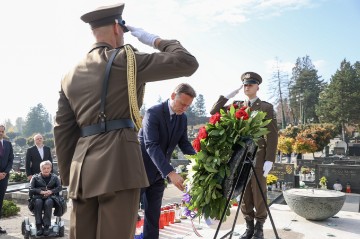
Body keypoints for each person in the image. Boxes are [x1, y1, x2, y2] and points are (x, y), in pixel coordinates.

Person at [53, 3, 198, 239]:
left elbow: (63, 131)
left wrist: (71, 179)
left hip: (81, 171)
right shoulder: (127, 60)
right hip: (119, 164)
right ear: (117, 27)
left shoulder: (70, 74)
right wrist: (155, 40)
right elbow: (187, 62)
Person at [210, 72, 278, 239]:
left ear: (257, 87)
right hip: (240, 156)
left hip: (259, 155)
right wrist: (226, 96)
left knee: (258, 191)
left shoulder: (266, 107)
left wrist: (270, 159)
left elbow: (273, 134)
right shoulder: (237, 104)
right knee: (244, 190)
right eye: (245, 84)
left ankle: (259, 227)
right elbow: (214, 112)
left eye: (251, 84)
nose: (247, 87)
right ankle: (249, 226)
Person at [139, 83, 197, 239]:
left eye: (188, 106)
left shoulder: (182, 118)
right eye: (182, 104)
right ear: (173, 96)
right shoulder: (153, 112)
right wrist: (171, 172)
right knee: (127, 215)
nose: (184, 109)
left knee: (153, 217)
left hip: (159, 174)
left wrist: (200, 161)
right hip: (140, 172)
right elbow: (151, 145)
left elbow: (184, 143)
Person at [29, 160, 62, 236]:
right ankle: (39, 226)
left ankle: (46, 226)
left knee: (49, 202)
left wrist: (51, 191)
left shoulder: (55, 177)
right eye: (44, 168)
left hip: (51, 196)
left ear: (50, 168)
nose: (46, 170)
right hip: (38, 197)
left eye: (48, 168)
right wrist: (41, 192)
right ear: (41, 169)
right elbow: (31, 189)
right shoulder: (35, 177)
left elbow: (59, 187)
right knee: (38, 202)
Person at [0, 125, 14, 234]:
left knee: (0, 201)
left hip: (4, 177)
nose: (0, 133)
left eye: (2, 131)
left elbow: (10, 159)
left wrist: (5, 172)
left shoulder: (8, 144)